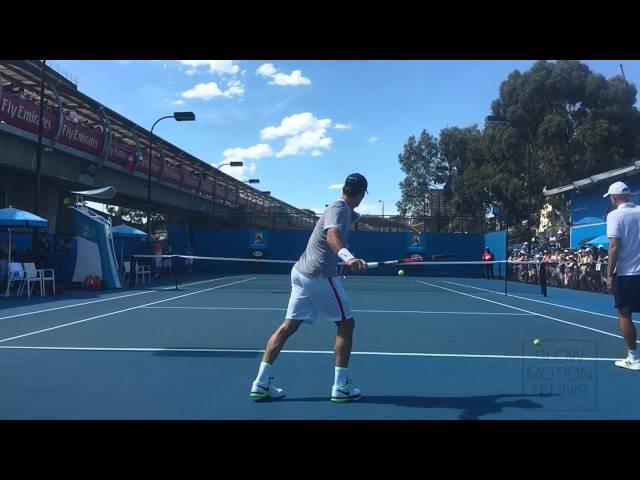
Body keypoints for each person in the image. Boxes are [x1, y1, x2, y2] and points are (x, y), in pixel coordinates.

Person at [250, 173, 368, 402]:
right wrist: (348, 257)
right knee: (346, 324)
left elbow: (369, 219)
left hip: (301, 273)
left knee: (288, 326)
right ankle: (340, 387)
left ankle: (260, 383)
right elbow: (332, 236)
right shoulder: (338, 210)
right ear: (362, 194)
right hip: (319, 275)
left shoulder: (347, 212)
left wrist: (404, 224)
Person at [603, 181, 640, 370]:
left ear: (614, 197)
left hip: (628, 273)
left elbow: (614, 246)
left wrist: (609, 275)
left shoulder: (615, 216)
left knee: (624, 314)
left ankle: (633, 357)